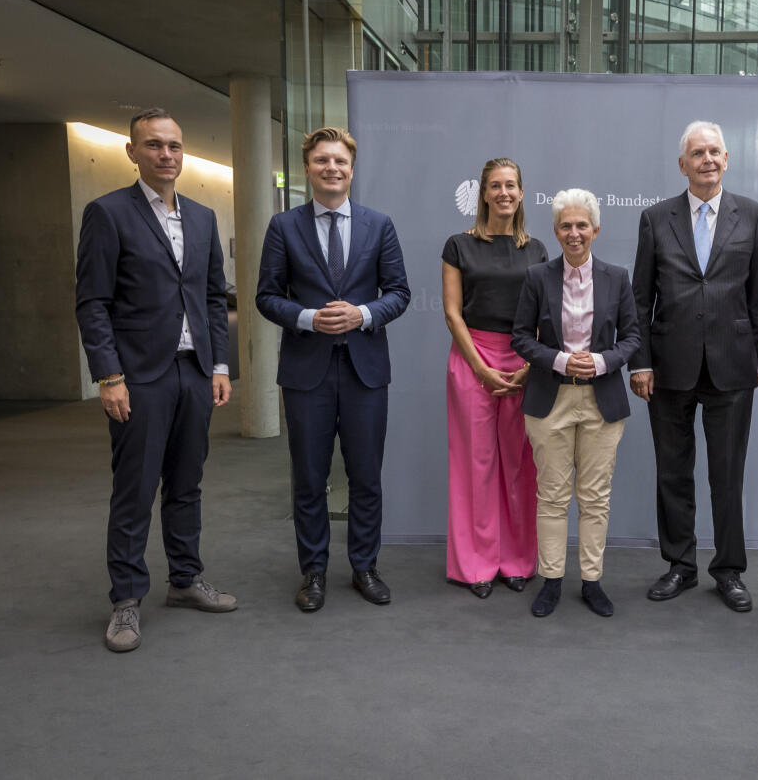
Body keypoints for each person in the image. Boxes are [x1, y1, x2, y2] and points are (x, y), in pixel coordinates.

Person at [75, 107, 237, 653]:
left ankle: (186, 581)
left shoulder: (203, 216)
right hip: (138, 377)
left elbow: (214, 297)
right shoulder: (108, 213)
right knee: (136, 489)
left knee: (186, 484)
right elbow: (93, 303)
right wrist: (108, 375)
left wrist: (218, 365)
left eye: (173, 145)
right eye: (153, 145)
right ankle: (126, 600)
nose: (166, 155)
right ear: (132, 152)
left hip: (193, 373)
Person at [256, 127, 410, 612]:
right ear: (307, 168)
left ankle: (364, 566)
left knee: (366, 477)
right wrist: (307, 318)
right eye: (322, 160)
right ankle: (314, 572)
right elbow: (266, 296)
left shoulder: (378, 225)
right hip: (307, 373)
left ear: (351, 168)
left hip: (365, 371)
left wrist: (363, 314)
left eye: (340, 161)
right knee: (309, 478)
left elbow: (399, 293)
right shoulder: (284, 226)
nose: (332, 168)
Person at [629, 120, 758, 612]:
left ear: (726, 160)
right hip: (669, 368)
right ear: (682, 164)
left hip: (732, 367)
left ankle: (728, 570)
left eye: (715, 152)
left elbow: (757, 295)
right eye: (697, 153)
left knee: (728, 475)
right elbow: (640, 299)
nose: (707, 160)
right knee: (673, 471)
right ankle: (680, 566)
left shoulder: (752, 214)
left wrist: (756, 356)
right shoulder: (655, 218)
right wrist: (639, 364)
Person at [512, 189, 641, 618]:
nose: (574, 233)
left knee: (595, 497)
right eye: (565, 225)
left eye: (581, 225)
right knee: (551, 496)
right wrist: (563, 359)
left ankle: (591, 581)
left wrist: (603, 362)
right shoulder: (536, 277)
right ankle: (550, 581)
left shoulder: (617, 277)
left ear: (596, 230)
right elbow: (521, 338)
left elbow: (633, 338)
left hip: (602, 401)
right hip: (550, 399)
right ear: (555, 230)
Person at [442, 158, 547, 598]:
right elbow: (452, 312)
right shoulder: (458, 246)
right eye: (495, 186)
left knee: (521, 465)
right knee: (476, 465)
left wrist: (528, 365)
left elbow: (545, 312)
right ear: (483, 193)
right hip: (472, 359)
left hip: (524, 360)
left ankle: (518, 561)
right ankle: (477, 565)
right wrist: (481, 368)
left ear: (522, 194)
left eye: (511, 186)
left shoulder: (537, 249)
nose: (504, 193)